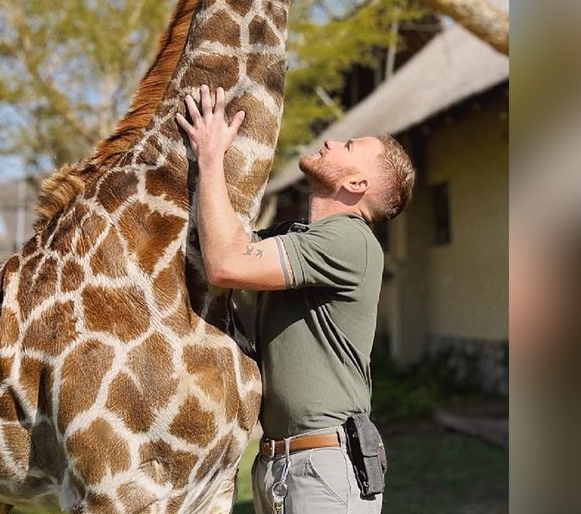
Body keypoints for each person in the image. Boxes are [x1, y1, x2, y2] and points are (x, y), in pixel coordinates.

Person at [175, 84, 415, 514]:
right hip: (277, 465)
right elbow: (224, 240)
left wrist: (210, 157)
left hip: (324, 467)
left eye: (346, 145)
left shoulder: (351, 241)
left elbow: (227, 263)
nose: (329, 140)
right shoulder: (296, 238)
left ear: (357, 182)